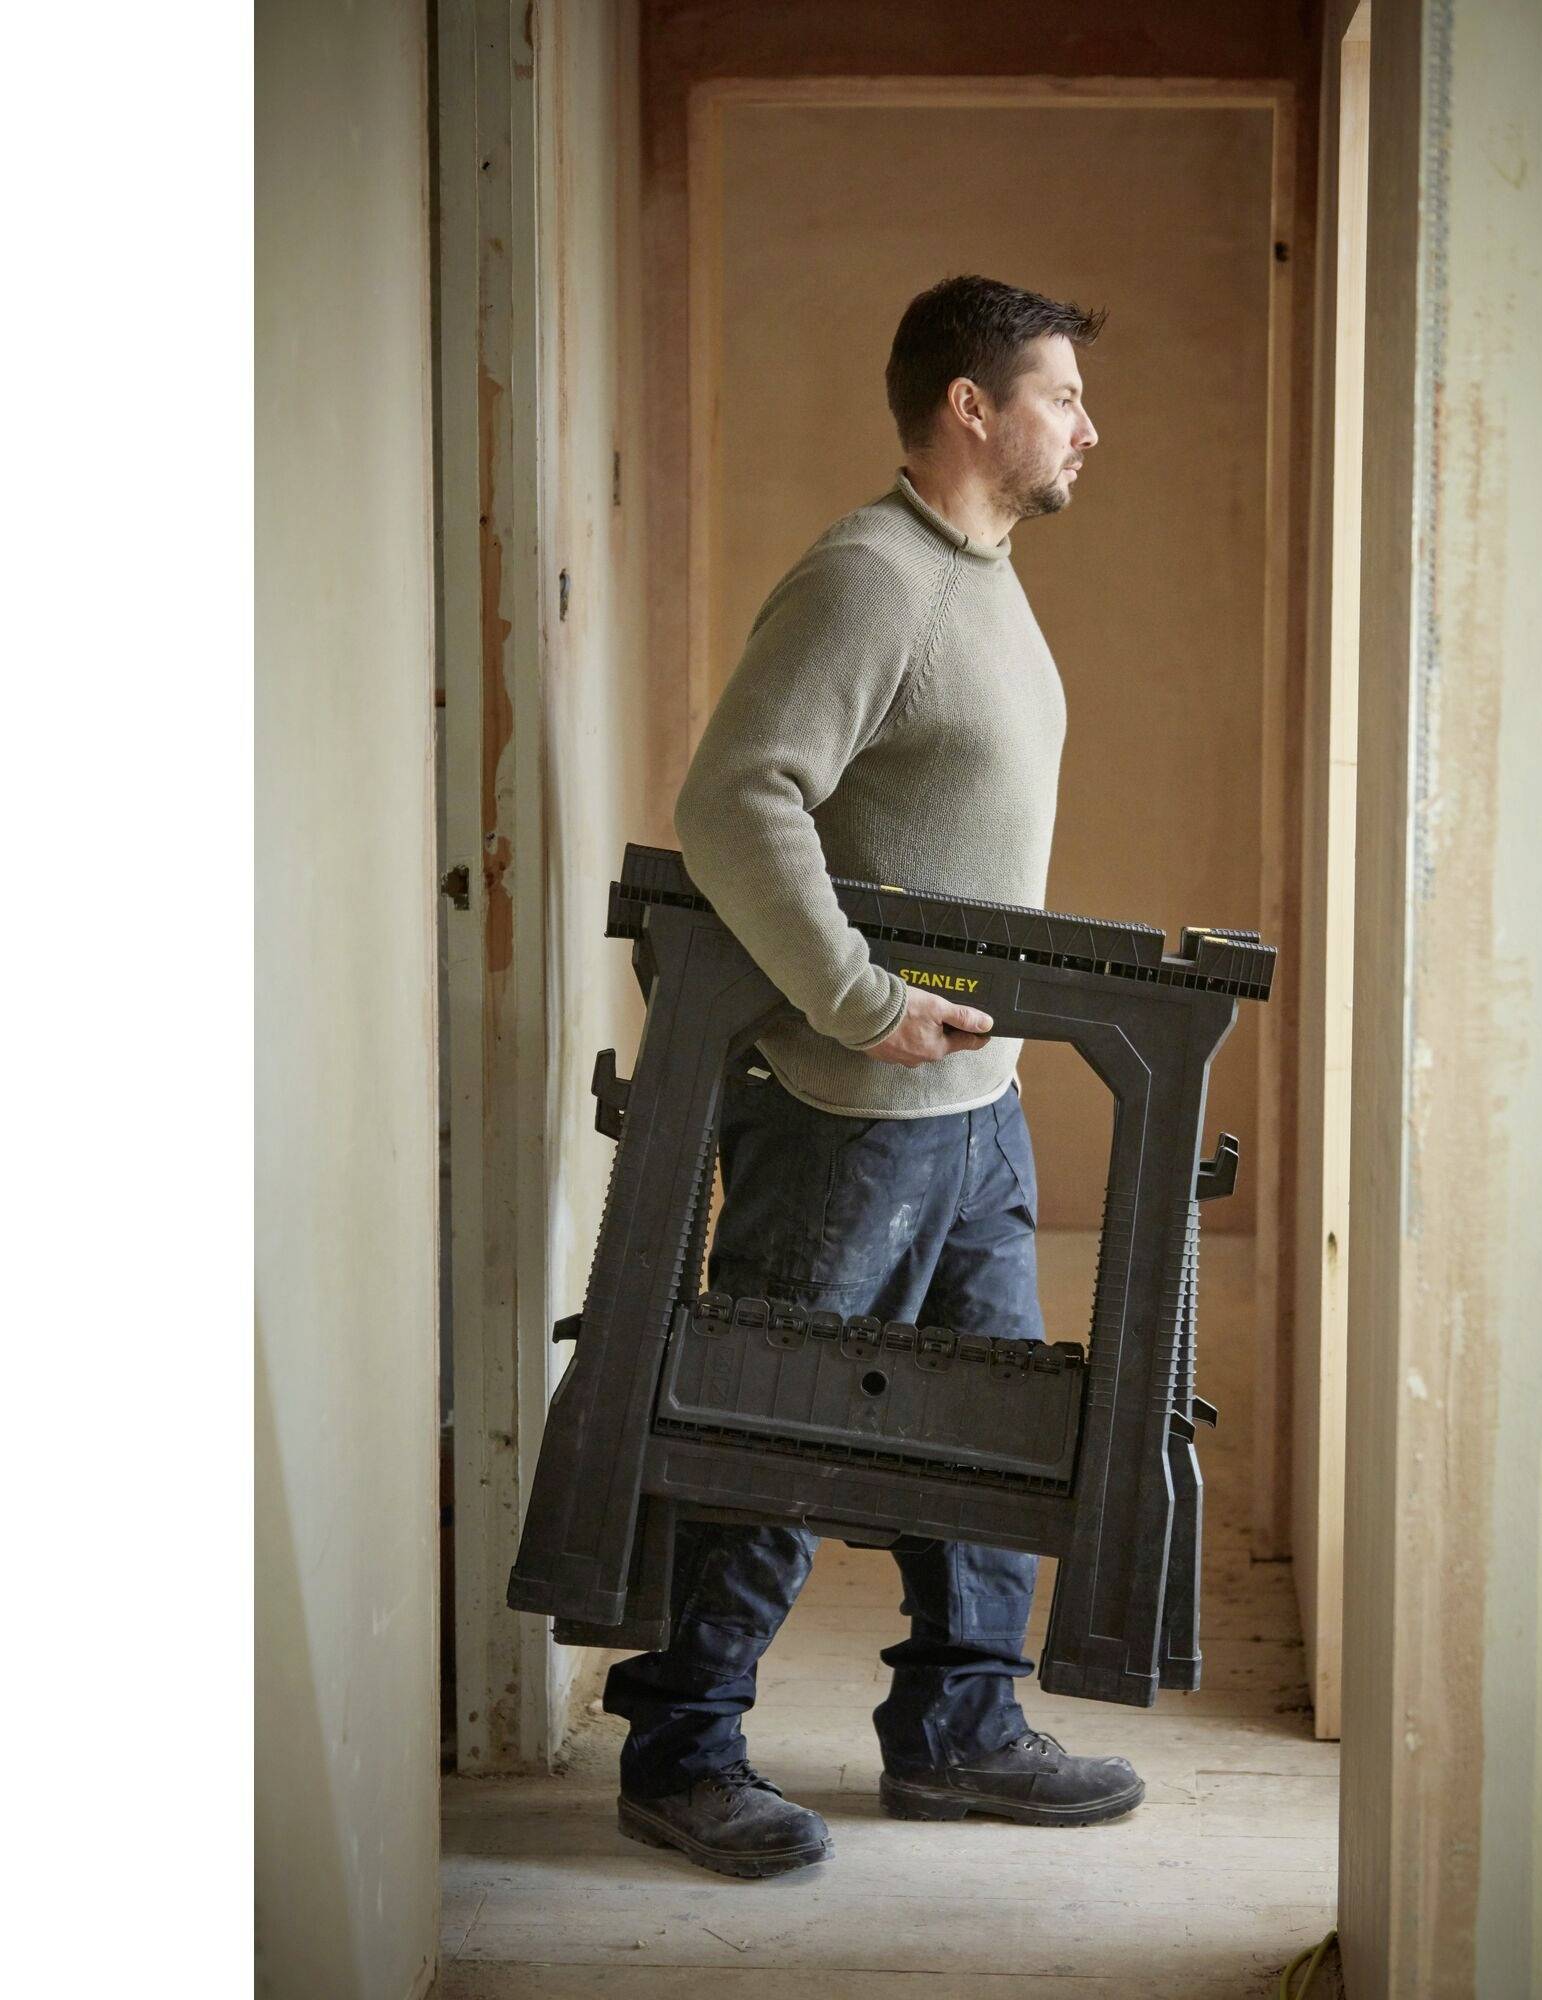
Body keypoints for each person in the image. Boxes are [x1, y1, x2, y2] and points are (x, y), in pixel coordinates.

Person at [604, 273, 1142, 1880]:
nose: (1086, 428)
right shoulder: (869, 577)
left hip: (971, 1116)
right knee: (770, 1437)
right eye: (1058, 396)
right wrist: (849, 999)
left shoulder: (980, 578)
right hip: (847, 1116)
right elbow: (737, 800)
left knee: (987, 1438)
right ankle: (682, 1753)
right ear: (970, 408)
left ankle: (962, 1731)